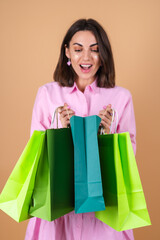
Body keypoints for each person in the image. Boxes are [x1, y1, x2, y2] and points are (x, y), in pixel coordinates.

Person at [25, 18, 136, 240]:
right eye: (78, 49)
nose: (86, 58)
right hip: (58, 213)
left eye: (94, 50)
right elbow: (35, 156)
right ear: (67, 52)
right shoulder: (48, 94)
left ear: (103, 55)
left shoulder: (121, 97)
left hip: (103, 213)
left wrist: (109, 135)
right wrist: (59, 130)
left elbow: (129, 159)